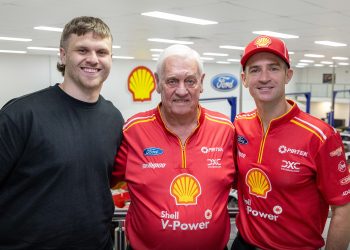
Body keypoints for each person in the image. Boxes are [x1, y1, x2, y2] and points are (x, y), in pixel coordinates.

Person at [0, 16, 124, 249]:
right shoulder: (21, 115)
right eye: (82, 50)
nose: (93, 59)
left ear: (110, 58)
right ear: (63, 55)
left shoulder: (113, 119)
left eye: (102, 52)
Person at [111, 44, 235, 250]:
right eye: (172, 81)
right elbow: (102, 180)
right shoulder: (133, 131)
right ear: (157, 82)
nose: (182, 90)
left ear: (202, 82)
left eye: (190, 81)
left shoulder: (225, 130)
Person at [232, 35, 350, 250]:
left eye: (274, 68)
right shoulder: (239, 125)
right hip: (243, 245)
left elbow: (343, 208)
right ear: (244, 78)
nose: (264, 77)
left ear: (288, 75)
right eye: (255, 69)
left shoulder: (321, 136)